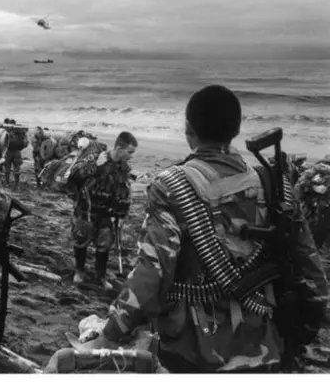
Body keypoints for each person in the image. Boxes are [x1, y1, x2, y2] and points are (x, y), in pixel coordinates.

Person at [66, 85, 329, 373]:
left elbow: (151, 275)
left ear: (188, 130)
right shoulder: (274, 188)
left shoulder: (171, 186)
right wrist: (298, 334)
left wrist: (109, 336)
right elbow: (313, 276)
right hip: (266, 346)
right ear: (237, 129)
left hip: (192, 353)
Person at [67, 131, 138, 290]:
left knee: (104, 244)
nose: (131, 156)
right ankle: (79, 271)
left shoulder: (124, 168)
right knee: (81, 239)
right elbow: (74, 175)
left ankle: (100, 276)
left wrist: (122, 212)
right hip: (86, 208)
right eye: (130, 152)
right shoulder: (95, 157)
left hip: (107, 212)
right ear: (119, 148)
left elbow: (125, 190)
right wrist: (95, 166)